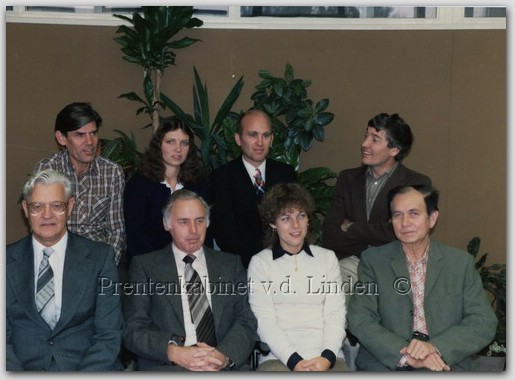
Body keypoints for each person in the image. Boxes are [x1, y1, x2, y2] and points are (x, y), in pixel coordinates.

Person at [347, 185, 497, 371]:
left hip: (444, 362)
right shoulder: (373, 261)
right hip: (387, 362)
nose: (405, 222)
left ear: (432, 218)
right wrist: (406, 355)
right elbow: (360, 318)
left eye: (414, 214)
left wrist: (435, 347)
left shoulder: (460, 264)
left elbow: (482, 322)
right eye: (397, 215)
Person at [123, 189, 257, 371]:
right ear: (166, 224)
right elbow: (133, 330)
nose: (193, 230)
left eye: (199, 221)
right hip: (169, 366)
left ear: (207, 223)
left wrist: (223, 356)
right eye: (184, 222)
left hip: (223, 365)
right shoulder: (145, 266)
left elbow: (246, 321)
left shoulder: (230, 264)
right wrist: (173, 351)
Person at [6, 169, 124, 371]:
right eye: (37, 207)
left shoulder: (100, 258)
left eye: (57, 206)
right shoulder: (5, 261)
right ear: (25, 209)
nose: (47, 215)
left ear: (70, 206)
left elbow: (109, 334)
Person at [322, 113, 432, 292]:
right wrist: (374, 239)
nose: (365, 144)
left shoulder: (416, 184)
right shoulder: (347, 179)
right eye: (366, 135)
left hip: (395, 265)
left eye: (375, 139)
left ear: (394, 150)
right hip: (351, 263)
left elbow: (398, 233)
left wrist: (351, 227)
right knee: (335, 298)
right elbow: (330, 233)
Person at [248, 182, 348, 372]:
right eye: (286, 218)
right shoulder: (261, 263)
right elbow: (264, 321)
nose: (296, 225)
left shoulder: (327, 258)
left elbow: (335, 314)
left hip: (326, 356)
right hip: (278, 358)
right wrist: (294, 361)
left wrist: (326, 357)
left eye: (301, 216)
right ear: (272, 223)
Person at [34, 102, 126, 265]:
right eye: (80, 135)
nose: (90, 142)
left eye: (93, 133)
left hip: (98, 259)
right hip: (59, 258)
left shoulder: (112, 172)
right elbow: (42, 227)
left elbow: (116, 232)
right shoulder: (48, 170)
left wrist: (106, 268)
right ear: (62, 138)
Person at [210, 109, 297, 268]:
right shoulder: (221, 177)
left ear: (272, 139)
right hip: (242, 266)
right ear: (238, 139)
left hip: (284, 262)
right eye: (252, 135)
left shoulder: (286, 173)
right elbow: (225, 234)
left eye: (265, 135)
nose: (260, 142)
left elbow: (294, 223)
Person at [124, 116, 210, 265]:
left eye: (184, 143)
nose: (178, 149)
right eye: (170, 142)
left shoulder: (198, 183)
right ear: (159, 145)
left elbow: (205, 230)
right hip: (151, 264)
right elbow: (136, 236)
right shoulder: (139, 184)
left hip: (194, 262)